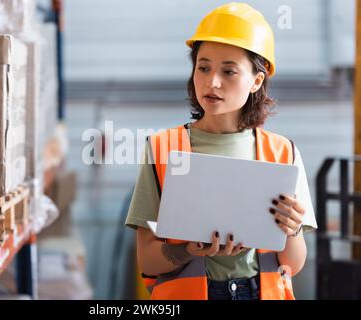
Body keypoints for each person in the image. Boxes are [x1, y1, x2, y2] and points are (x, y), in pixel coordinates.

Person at [125, 2, 318, 300]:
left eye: (229, 71)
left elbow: (292, 264)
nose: (212, 82)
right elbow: (148, 260)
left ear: (256, 81)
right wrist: (185, 250)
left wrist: (292, 232)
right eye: (203, 68)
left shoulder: (283, 153)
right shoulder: (162, 148)